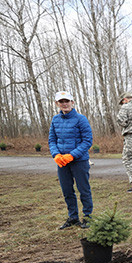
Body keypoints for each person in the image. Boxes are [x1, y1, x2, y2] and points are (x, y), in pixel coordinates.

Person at [48, 91, 94, 230]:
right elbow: (52, 140)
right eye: (61, 102)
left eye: (67, 101)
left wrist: (72, 155)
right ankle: (73, 217)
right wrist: (56, 155)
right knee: (67, 190)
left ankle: (87, 217)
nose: (64, 104)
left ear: (72, 102)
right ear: (57, 104)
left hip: (79, 161)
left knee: (83, 189)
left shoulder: (81, 119)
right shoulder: (55, 120)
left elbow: (87, 141)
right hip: (62, 162)